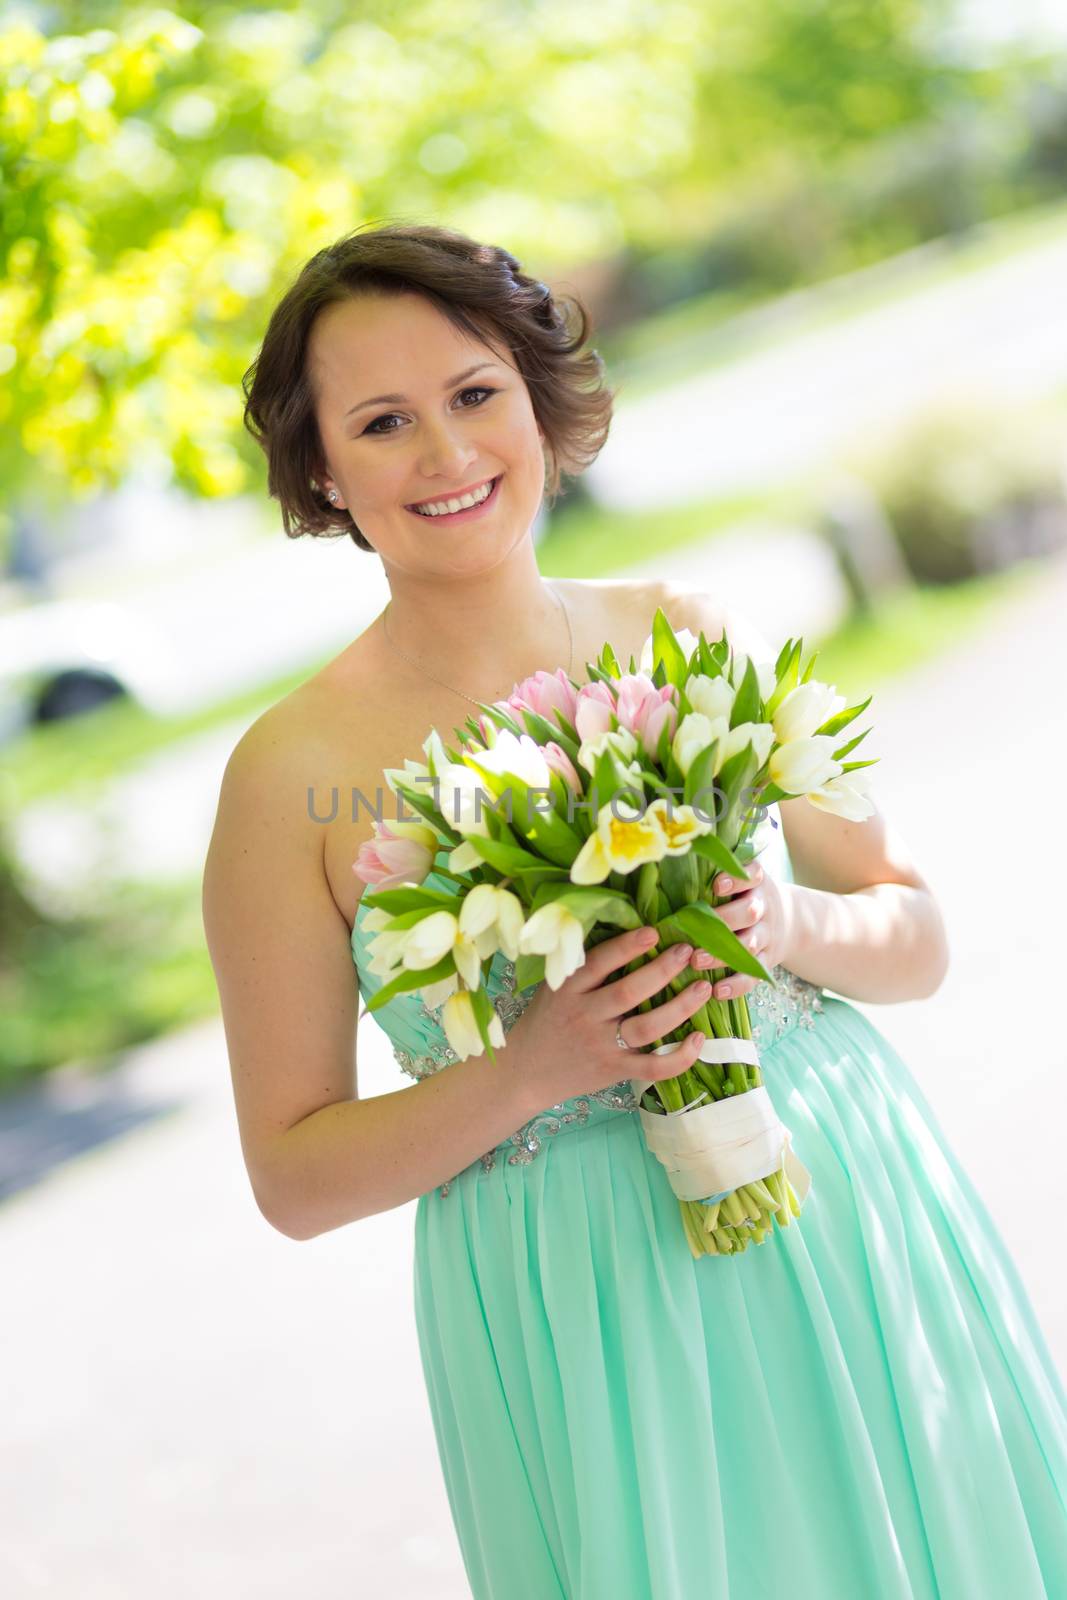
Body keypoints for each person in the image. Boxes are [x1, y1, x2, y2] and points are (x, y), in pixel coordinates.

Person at [202, 221, 1067, 1598]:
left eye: (476, 395)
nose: (446, 456)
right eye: (381, 423)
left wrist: (781, 930)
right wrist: (536, 1068)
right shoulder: (289, 777)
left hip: (840, 1191)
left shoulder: (688, 629)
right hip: (581, 1296)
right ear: (321, 470)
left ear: (539, 400)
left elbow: (916, 935)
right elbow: (296, 1178)